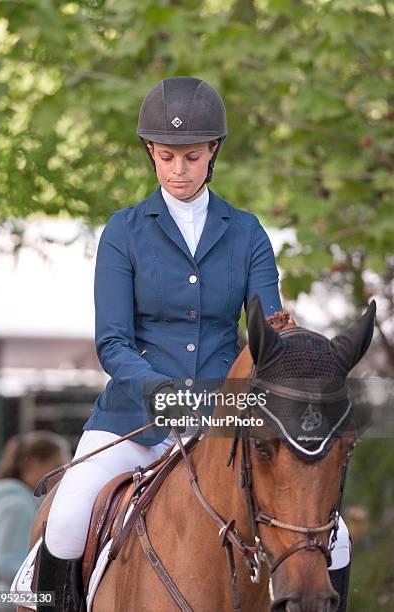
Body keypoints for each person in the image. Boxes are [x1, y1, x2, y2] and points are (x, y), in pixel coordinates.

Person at [32, 76, 350, 611]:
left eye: (192, 156)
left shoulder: (247, 233)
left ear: (212, 154)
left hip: (227, 422)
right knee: (65, 519)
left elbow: (269, 328)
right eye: (167, 156)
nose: (179, 170)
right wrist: (163, 391)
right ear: (151, 154)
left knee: (335, 539)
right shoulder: (123, 231)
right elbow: (112, 343)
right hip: (134, 417)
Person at [0, 431, 71, 591]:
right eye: (57, 467)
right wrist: (51, 579)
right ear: (34, 463)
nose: (62, 476)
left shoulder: (17, 500)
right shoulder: (17, 505)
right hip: (6, 599)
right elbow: (4, 563)